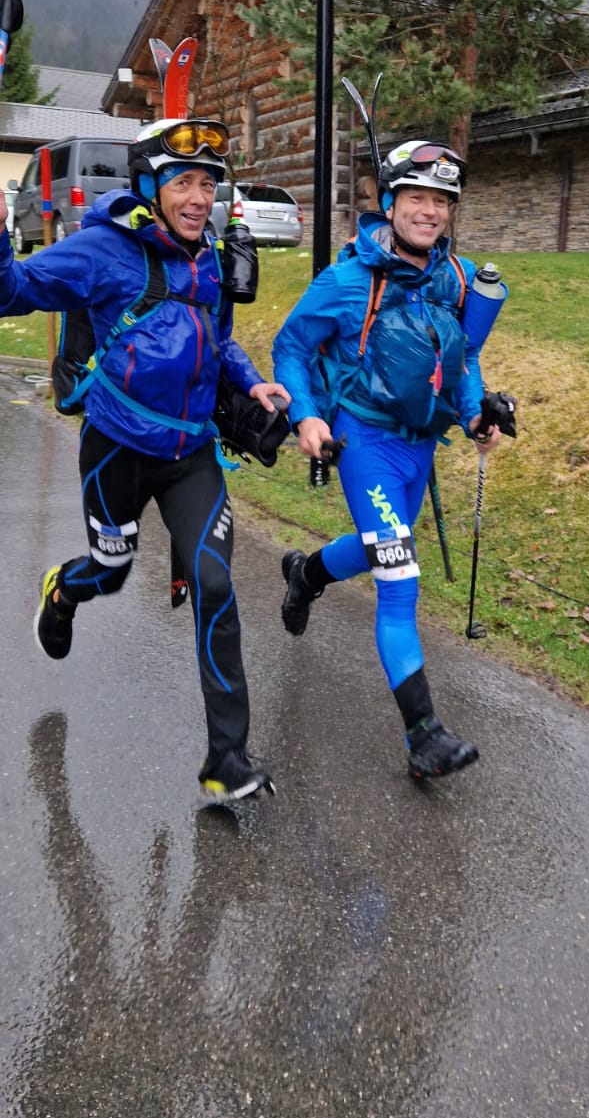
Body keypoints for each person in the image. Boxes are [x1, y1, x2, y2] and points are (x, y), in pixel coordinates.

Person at [0, 118, 290, 801]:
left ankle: (227, 760)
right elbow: (13, 292)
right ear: (150, 187)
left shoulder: (210, 255)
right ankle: (62, 591)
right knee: (111, 571)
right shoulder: (103, 248)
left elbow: (217, 338)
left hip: (191, 453)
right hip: (117, 450)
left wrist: (251, 382)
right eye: (183, 182)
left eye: (207, 184)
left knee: (214, 584)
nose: (198, 197)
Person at [272, 137, 505, 782]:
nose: (430, 211)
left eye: (442, 201)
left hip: (420, 445)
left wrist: (476, 414)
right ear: (391, 202)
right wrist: (306, 415)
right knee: (399, 580)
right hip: (365, 444)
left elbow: (461, 358)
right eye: (417, 198)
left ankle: (306, 574)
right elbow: (290, 348)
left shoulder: (455, 278)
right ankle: (424, 736)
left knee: (386, 546)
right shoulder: (348, 280)